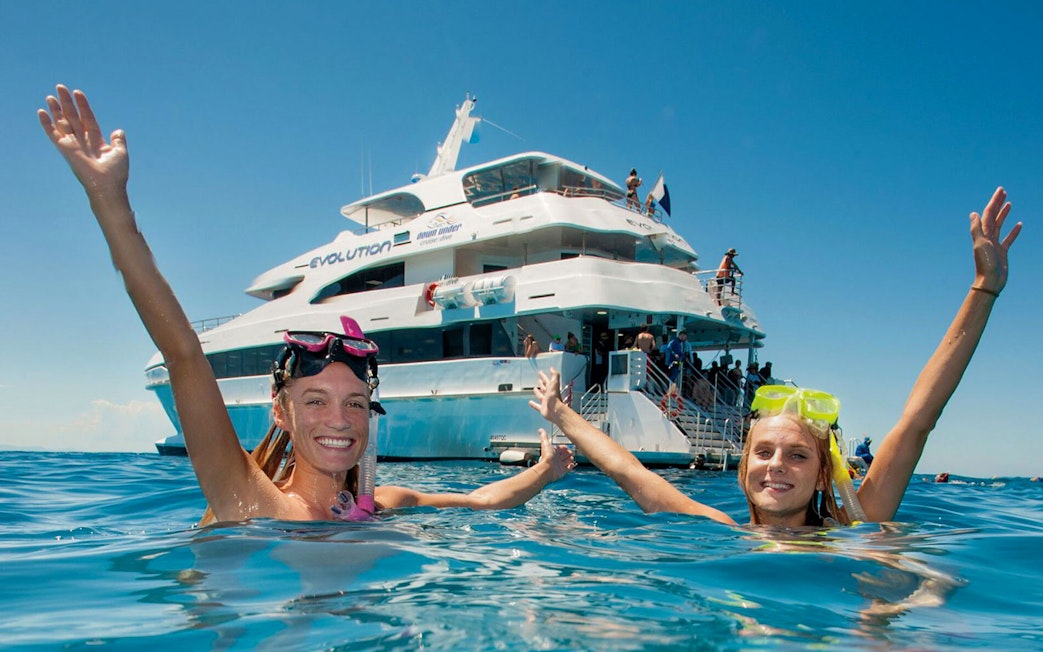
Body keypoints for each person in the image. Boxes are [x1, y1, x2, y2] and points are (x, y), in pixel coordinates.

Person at [40, 85, 575, 525]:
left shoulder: (379, 505)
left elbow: (483, 502)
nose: (339, 420)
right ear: (281, 411)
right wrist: (110, 202)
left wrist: (548, 470)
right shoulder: (248, 501)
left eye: (354, 403)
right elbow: (183, 353)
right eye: (315, 400)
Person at [531, 186, 1021, 527]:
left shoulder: (856, 523)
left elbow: (918, 420)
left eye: (797, 455)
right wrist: (559, 413)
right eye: (763, 453)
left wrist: (984, 289)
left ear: (823, 472)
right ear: (743, 467)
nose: (776, 466)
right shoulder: (720, 529)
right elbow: (627, 469)